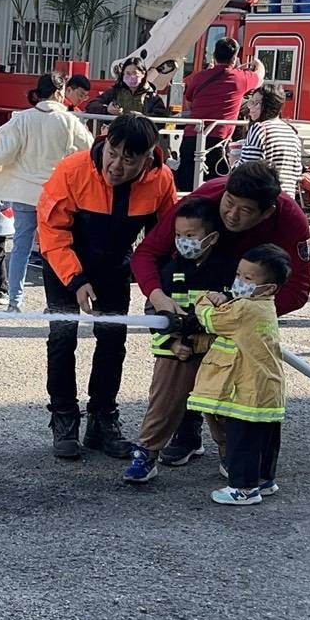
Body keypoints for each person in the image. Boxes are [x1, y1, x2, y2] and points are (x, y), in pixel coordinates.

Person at [132, 160, 310, 465]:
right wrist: (159, 296)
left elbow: (297, 290)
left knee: (234, 382)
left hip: (240, 313)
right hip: (192, 302)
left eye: (245, 210)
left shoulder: (290, 220)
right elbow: (147, 253)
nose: (231, 214)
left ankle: (234, 450)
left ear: (267, 212)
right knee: (176, 368)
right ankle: (182, 434)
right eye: (229, 203)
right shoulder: (205, 198)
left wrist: (243, 315)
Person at [37, 113, 178, 460]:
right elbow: (52, 231)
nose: (116, 165)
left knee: (113, 341)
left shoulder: (160, 181)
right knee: (62, 337)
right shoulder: (73, 170)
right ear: (104, 139)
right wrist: (76, 279)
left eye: (129, 160)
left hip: (115, 265)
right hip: (65, 263)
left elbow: (168, 238)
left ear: (148, 157)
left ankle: (102, 420)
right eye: (112, 153)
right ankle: (64, 418)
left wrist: (160, 288)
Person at [122, 196, 235, 484]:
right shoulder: (170, 271)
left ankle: (232, 454)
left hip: (216, 354)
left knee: (222, 406)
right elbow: (154, 312)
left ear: (211, 237)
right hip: (177, 353)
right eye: (178, 235)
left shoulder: (228, 271)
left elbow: (238, 316)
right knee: (162, 404)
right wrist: (171, 343)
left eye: (190, 236)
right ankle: (146, 454)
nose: (183, 242)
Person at [0, 72, 94, 313]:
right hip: (56, 195)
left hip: (25, 193)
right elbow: (89, 149)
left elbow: (0, 154)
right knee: (54, 249)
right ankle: (55, 302)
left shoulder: (22, 119)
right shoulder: (69, 121)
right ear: (60, 93)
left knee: (20, 248)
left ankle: (14, 301)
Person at [187, 243, 293, 506]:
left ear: (268, 287)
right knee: (265, 441)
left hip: (247, 391)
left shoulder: (245, 309)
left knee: (242, 441)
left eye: (248, 278)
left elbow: (212, 320)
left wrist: (204, 300)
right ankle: (264, 481)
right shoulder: (263, 306)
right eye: (238, 274)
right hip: (268, 390)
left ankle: (243, 489)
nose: (239, 281)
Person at [179, 37, 258, 190]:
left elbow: (189, 103)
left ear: (214, 56)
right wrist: (257, 64)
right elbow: (259, 77)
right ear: (234, 58)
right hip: (218, 141)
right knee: (215, 189)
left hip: (191, 138)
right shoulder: (239, 78)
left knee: (187, 189)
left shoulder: (199, 77)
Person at [234, 83, 303, 199]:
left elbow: (247, 171)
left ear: (268, 106)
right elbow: (297, 171)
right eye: (251, 102)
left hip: (262, 199)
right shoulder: (291, 131)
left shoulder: (260, 129)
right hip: (286, 199)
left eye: (256, 103)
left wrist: (234, 162)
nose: (250, 107)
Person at [86, 56, 172, 118]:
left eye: (135, 73)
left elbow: (162, 117)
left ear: (143, 74)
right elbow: (91, 106)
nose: (131, 77)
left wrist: (143, 118)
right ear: (122, 74)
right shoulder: (114, 92)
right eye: (128, 73)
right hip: (117, 135)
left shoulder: (152, 97)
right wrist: (107, 109)